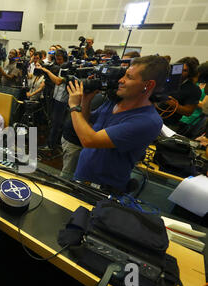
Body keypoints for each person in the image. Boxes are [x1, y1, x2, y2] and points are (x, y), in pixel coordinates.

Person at [68, 55, 167, 193]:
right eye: (124, 75)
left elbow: (89, 140)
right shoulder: (114, 101)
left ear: (148, 85)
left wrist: (74, 106)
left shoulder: (147, 121)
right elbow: (87, 124)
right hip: (82, 177)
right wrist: (86, 100)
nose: (121, 80)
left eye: (129, 77)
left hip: (103, 190)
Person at [36, 49, 68, 151]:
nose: (58, 61)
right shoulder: (58, 67)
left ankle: (51, 145)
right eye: (57, 59)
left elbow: (58, 81)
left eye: (60, 59)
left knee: (56, 123)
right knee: (53, 122)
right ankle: (51, 143)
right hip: (55, 96)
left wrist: (47, 71)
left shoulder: (67, 67)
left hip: (62, 99)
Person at [160, 57, 202, 131]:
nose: (181, 72)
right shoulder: (165, 80)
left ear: (190, 73)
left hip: (169, 125)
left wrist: (172, 103)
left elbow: (188, 112)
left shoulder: (193, 89)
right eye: (179, 69)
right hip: (151, 117)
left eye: (185, 70)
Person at [178, 61, 208, 136]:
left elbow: (205, 107)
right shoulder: (197, 83)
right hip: (183, 118)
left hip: (193, 118)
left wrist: (191, 100)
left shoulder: (196, 88)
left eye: (185, 70)